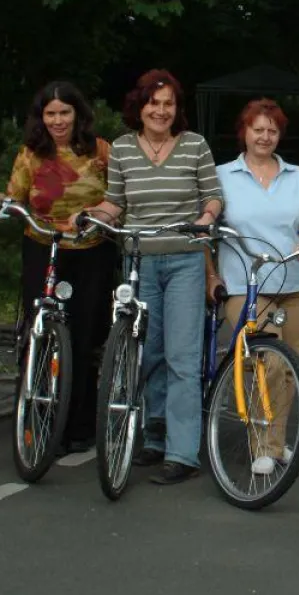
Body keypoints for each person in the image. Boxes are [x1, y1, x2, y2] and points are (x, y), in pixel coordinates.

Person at [77, 69, 222, 485]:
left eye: (168, 104)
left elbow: (212, 194)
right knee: (147, 353)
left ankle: (182, 452)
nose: (160, 111)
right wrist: (92, 216)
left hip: (184, 260)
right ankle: (154, 434)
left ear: (177, 109)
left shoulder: (194, 145)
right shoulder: (123, 148)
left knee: (181, 357)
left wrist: (205, 218)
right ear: (139, 107)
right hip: (139, 261)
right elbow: (115, 202)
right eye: (153, 103)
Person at [0, 81, 117, 454]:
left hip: (91, 252)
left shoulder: (101, 151)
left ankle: (80, 426)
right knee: (41, 333)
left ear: (78, 114)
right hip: (44, 248)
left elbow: (118, 197)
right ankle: (39, 421)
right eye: (50, 113)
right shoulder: (31, 154)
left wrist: (95, 216)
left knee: (85, 337)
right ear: (41, 118)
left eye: (64, 112)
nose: (58, 120)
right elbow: (16, 196)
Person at [208, 98, 299, 475]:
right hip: (247, 283)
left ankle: (274, 441)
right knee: (266, 362)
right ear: (243, 132)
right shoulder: (222, 176)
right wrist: (211, 275)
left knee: (289, 369)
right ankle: (265, 444)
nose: (265, 136)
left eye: (272, 130)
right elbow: (205, 233)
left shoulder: (298, 176)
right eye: (258, 129)